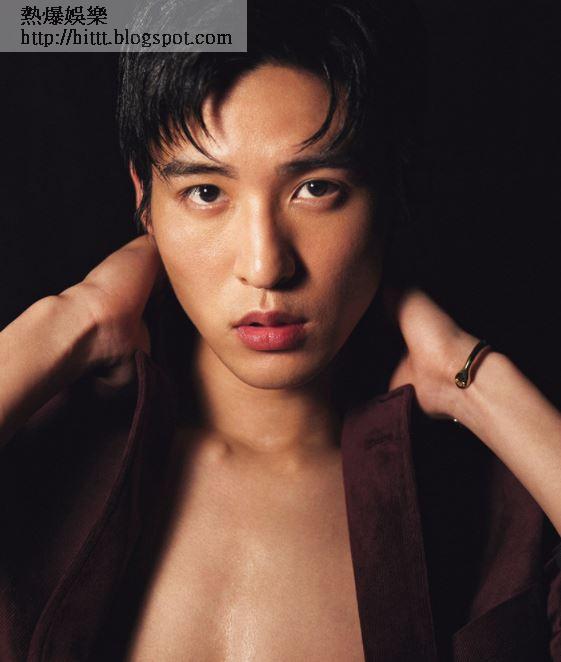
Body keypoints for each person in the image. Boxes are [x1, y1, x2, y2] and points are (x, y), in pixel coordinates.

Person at [1, 1, 560, 660]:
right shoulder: (38, 463)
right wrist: (69, 320)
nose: (266, 265)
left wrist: (478, 383)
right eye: (206, 192)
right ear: (143, 200)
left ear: (391, 188)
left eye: (316, 188)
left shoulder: (494, 515)